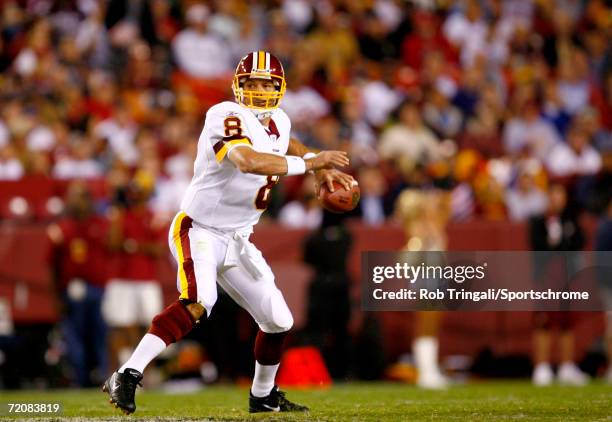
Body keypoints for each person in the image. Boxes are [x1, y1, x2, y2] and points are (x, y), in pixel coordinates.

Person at [103, 51, 354, 414]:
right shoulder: (224, 114)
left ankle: (263, 396)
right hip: (200, 228)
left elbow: (286, 143)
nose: (259, 91)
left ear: (279, 88)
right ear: (238, 86)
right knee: (200, 299)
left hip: (238, 238)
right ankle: (126, 373)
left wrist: (315, 168)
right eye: (251, 83)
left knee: (279, 320)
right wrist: (314, 163)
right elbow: (248, 160)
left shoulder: (279, 120)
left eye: (266, 84)